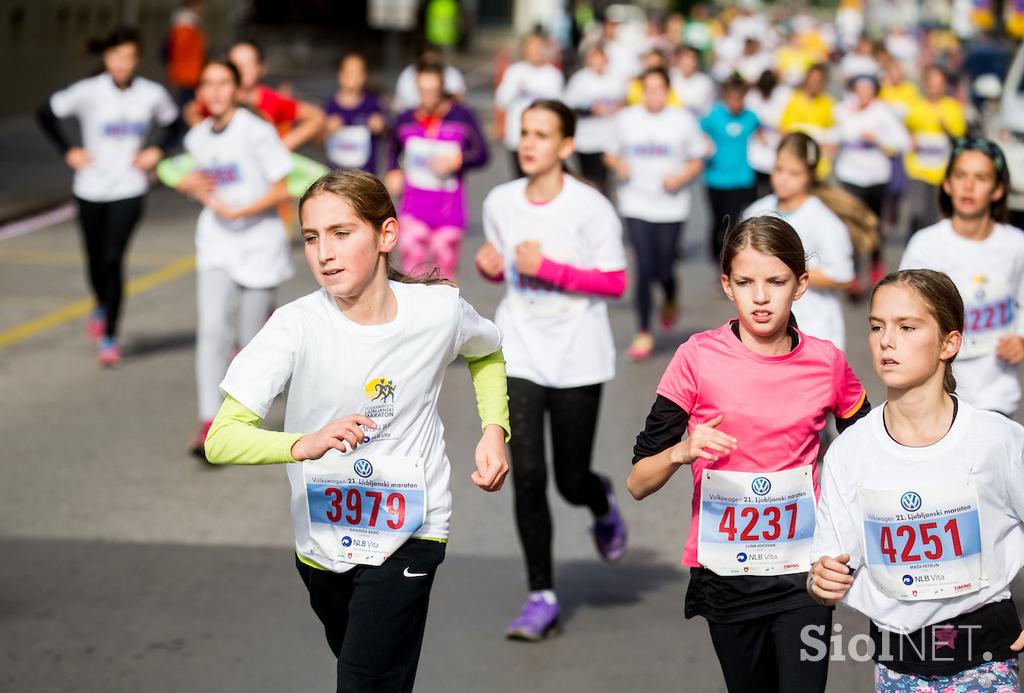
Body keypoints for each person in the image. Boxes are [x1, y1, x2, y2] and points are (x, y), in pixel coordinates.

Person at [204, 168, 510, 692]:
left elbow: (489, 352)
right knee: (373, 670)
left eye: (342, 233)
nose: (324, 252)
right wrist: (304, 443)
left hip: (414, 527)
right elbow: (221, 437)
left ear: (386, 235)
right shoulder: (294, 326)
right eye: (311, 237)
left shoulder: (438, 311)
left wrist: (494, 430)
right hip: (322, 538)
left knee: (363, 680)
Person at [629, 215, 869, 693]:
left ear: (800, 285)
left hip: (803, 569)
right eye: (745, 282)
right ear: (727, 285)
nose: (760, 297)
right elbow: (638, 481)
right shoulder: (696, 357)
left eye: (775, 282)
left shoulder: (826, 362)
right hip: (727, 572)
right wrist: (683, 451)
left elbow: (868, 449)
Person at [809, 268, 1024, 693]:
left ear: (949, 343)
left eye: (907, 327)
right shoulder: (850, 451)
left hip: (984, 657)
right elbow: (828, 568)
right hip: (896, 664)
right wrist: (822, 581)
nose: (886, 341)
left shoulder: (996, 440)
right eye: (877, 327)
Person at [474, 99, 628, 641]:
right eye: (524, 133)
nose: (529, 143)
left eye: (542, 134)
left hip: (578, 352)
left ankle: (600, 499)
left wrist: (551, 269)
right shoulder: (500, 201)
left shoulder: (590, 208)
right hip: (519, 348)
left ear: (566, 146)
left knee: (569, 479)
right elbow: (502, 266)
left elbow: (614, 281)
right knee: (530, 474)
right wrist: (488, 267)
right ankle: (541, 594)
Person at [172, 59, 295, 457]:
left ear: (237, 89)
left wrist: (243, 211)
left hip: (259, 242)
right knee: (210, 329)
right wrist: (191, 187)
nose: (216, 91)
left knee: (249, 341)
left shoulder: (257, 132)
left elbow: (284, 187)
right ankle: (210, 421)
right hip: (216, 243)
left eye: (224, 83)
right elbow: (198, 181)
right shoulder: (198, 138)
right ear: (201, 93)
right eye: (208, 83)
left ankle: (242, 418)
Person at [36, 26, 178, 366]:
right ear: (106, 57)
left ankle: (110, 336)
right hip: (90, 188)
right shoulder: (88, 91)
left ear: (137, 60)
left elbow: (174, 122)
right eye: (115, 57)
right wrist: (69, 151)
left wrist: (157, 150)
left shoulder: (151, 93)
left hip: (129, 188)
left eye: (128, 58)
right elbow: (45, 113)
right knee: (95, 260)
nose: (121, 64)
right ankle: (101, 303)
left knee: (113, 258)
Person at [900, 138, 1024, 416]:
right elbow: (902, 312)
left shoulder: (1016, 244)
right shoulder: (925, 245)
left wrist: (1021, 339)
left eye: (981, 178)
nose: (969, 186)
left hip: (997, 394)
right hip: (940, 395)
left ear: (998, 189)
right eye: (961, 175)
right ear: (947, 184)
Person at [605, 67, 705, 361]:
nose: (654, 95)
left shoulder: (682, 120)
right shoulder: (626, 119)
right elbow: (610, 153)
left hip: (671, 205)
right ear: (641, 90)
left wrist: (681, 178)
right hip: (635, 202)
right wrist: (618, 165)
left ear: (668, 90)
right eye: (648, 88)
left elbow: (698, 158)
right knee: (644, 266)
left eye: (659, 88)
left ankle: (671, 291)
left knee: (663, 266)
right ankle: (644, 332)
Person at [743, 133, 857, 351]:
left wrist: (787, 270)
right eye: (778, 169)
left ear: (811, 174)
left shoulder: (824, 220)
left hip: (814, 328)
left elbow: (842, 276)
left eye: (794, 173)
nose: (783, 178)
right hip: (762, 328)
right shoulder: (755, 212)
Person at [386, 63, 488, 280]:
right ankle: (416, 312)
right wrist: (393, 171)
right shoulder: (405, 118)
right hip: (413, 207)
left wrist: (459, 160)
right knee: (412, 268)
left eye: (433, 92)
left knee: (444, 272)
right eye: (423, 91)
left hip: (449, 210)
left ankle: (446, 312)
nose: (428, 98)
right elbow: (392, 148)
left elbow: (483, 154)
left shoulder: (462, 117)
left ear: (443, 89)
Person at [833, 75, 909, 291]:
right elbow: (834, 133)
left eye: (868, 90)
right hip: (850, 174)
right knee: (853, 224)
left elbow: (902, 141)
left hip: (877, 176)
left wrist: (877, 139)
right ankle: (854, 272)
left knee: (874, 223)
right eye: (859, 89)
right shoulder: (843, 110)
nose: (864, 94)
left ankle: (876, 262)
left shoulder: (882, 111)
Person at [184, 40, 325, 152]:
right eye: (235, 64)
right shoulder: (220, 98)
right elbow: (191, 110)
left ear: (261, 69)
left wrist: (284, 145)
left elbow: (316, 116)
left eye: (247, 64)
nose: (240, 69)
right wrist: (208, 138)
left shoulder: (273, 100)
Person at [902, 65, 967, 235]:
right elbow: (903, 129)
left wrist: (946, 128)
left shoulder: (952, 107)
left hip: (941, 171)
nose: (933, 86)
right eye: (930, 82)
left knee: (934, 216)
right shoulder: (914, 105)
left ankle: (929, 251)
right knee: (916, 212)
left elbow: (959, 137)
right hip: (917, 168)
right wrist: (910, 139)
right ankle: (912, 243)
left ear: (945, 85)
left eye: (938, 82)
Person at [702, 77, 760, 262]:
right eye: (732, 99)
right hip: (716, 178)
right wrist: (704, 146)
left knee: (735, 222)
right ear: (725, 98)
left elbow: (761, 136)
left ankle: (731, 258)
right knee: (719, 221)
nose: (735, 103)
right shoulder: (714, 115)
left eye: (739, 99)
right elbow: (697, 133)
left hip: (742, 178)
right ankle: (714, 255)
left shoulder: (751, 117)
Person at [494, 32, 564, 178]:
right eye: (532, 48)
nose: (536, 52)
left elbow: (557, 106)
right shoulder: (515, 71)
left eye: (539, 48)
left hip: (543, 137)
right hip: (517, 136)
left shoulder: (553, 75)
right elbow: (501, 100)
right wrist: (515, 88)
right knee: (519, 178)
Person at [561, 41, 623, 195]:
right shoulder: (580, 79)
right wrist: (590, 110)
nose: (598, 64)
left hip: (609, 138)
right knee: (590, 181)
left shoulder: (616, 78)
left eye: (600, 59)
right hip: (587, 140)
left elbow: (623, 102)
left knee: (606, 182)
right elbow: (568, 106)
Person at [322, 52, 387, 174]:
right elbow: (319, 140)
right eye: (349, 72)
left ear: (364, 76)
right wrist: (326, 129)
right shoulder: (330, 106)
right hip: (336, 176)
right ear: (340, 75)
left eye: (357, 72)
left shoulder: (374, 104)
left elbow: (388, 133)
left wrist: (380, 126)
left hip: (365, 177)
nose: (353, 76)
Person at [745, 70, 792, 198]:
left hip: (776, 146)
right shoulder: (753, 96)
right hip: (757, 148)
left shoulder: (784, 95)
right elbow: (750, 119)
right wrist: (758, 132)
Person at [392, 44, 467, 113]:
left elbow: (459, 98)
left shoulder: (451, 73)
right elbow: (400, 103)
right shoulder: (408, 74)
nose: (430, 60)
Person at [165, 0, 207, 107]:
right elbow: (182, 52)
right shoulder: (185, 26)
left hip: (189, 72)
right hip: (187, 73)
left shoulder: (190, 25)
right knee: (186, 104)